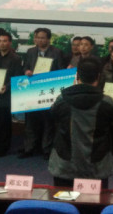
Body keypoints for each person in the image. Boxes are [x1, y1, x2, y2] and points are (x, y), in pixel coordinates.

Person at [48, 58, 113, 189]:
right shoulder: (107, 103)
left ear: (77, 76)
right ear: (98, 77)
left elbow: (53, 115)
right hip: (97, 167)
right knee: (97, 201)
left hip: (65, 166)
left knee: (62, 200)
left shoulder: (62, 100)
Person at [19, 28, 64, 160]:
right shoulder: (30, 51)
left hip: (49, 91)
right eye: (37, 37)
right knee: (30, 121)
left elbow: (61, 71)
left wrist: (50, 76)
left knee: (48, 122)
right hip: (33, 91)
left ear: (48, 39)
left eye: (42, 37)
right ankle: (29, 148)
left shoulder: (57, 52)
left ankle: (47, 150)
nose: (39, 40)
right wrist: (26, 71)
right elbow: (25, 67)